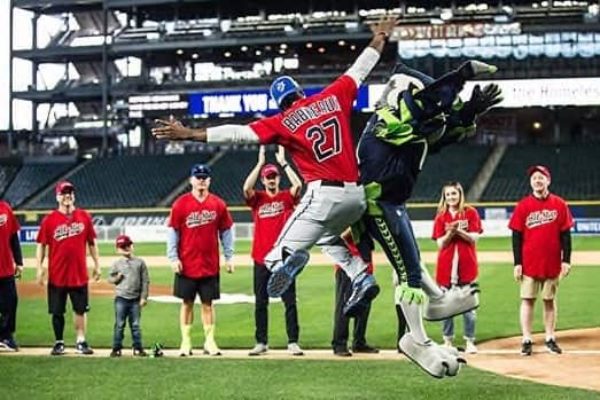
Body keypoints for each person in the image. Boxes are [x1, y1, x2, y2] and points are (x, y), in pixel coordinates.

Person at [152, 18, 397, 317]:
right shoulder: (333, 95)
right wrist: (381, 35)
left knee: (271, 260)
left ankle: (287, 258)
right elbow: (362, 65)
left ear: (280, 103)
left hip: (323, 196)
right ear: (301, 93)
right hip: (355, 195)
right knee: (325, 237)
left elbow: (238, 133)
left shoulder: (282, 121)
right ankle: (361, 276)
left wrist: (191, 134)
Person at [353, 61, 501, 377]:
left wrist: (468, 115)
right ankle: (415, 341)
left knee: (412, 262)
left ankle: (435, 302)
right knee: (408, 271)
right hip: (377, 203)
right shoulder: (385, 120)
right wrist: (461, 77)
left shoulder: (404, 126)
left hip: (392, 202)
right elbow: (425, 109)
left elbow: (440, 134)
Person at [167, 164, 234, 356]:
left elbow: (226, 232)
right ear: (191, 180)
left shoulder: (218, 204)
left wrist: (229, 256)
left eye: (204, 177)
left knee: (208, 304)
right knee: (186, 303)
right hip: (186, 265)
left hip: (209, 265)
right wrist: (173, 257)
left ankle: (209, 341)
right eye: (198, 177)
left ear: (209, 180)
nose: (201, 180)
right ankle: (186, 342)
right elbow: (173, 232)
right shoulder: (180, 204)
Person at [244, 145, 304, 356]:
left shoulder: (287, 197)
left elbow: (299, 185)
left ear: (278, 178)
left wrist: (284, 163)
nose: (271, 180)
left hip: (284, 259)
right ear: (263, 180)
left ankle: (293, 341)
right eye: (268, 177)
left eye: (274, 177)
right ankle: (261, 342)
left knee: (289, 302)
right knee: (261, 302)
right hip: (261, 258)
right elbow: (246, 188)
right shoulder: (257, 199)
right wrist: (259, 163)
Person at [509, 165, 573, 356]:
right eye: (534, 178)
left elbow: (566, 236)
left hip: (552, 263)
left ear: (548, 181)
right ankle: (526, 339)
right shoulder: (523, 205)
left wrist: (566, 260)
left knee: (549, 301)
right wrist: (517, 263)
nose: (537, 180)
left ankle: (550, 338)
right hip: (529, 263)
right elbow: (516, 236)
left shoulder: (559, 204)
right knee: (527, 300)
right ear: (531, 182)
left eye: (541, 177)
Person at [36, 181, 101, 356]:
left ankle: (81, 340)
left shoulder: (84, 216)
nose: (68, 196)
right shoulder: (49, 220)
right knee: (57, 311)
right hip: (57, 274)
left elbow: (92, 243)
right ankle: (59, 343)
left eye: (70, 192)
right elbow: (41, 245)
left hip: (79, 274)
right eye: (64, 193)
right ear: (57, 196)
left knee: (80, 309)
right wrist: (39, 267)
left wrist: (97, 264)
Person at [432, 182, 482, 354]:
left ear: (460, 194)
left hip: (467, 267)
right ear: (444, 197)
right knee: (447, 308)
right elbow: (440, 243)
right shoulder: (441, 217)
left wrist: (459, 232)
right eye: (448, 195)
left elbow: (475, 238)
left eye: (454, 194)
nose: (451, 198)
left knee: (469, 310)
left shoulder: (470, 213)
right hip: (445, 268)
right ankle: (447, 341)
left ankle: (469, 341)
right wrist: (450, 233)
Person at [332, 229, 378, 357]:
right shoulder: (348, 212)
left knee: (364, 303)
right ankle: (339, 344)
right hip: (348, 263)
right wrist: (358, 227)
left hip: (364, 260)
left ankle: (359, 342)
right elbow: (340, 235)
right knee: (343, 304)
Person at [108, 234, 150, 357]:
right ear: (118, 249)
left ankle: (138, 347)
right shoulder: (117, 263)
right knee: (119, 324)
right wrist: (117, 278)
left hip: (135, 299)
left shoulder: (140, 263)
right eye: (122, 247)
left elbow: (145, 281)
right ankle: (116, 348)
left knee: (136, 325)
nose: (126, 248)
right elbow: (110, 278)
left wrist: (144, 297)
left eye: (128, 245)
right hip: (121, 298)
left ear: (132, 246)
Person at [0, 200, 23, 351]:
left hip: (6, 267)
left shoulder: (5, 208)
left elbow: (14, 237)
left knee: (11, 301)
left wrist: (19, 261)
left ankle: (6, 336)